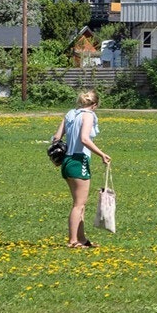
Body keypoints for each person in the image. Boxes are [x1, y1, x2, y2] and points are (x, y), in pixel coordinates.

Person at [52, 88, 111, 249]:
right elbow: (85, 139)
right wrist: (102, 154)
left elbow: (56, 138)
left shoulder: (70, 114)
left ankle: (82, 239)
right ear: (95, 105)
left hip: (67, 160)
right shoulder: (89, 115)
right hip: (79, 161)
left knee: (80, 204)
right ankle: (73, 241)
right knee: (79, 204)